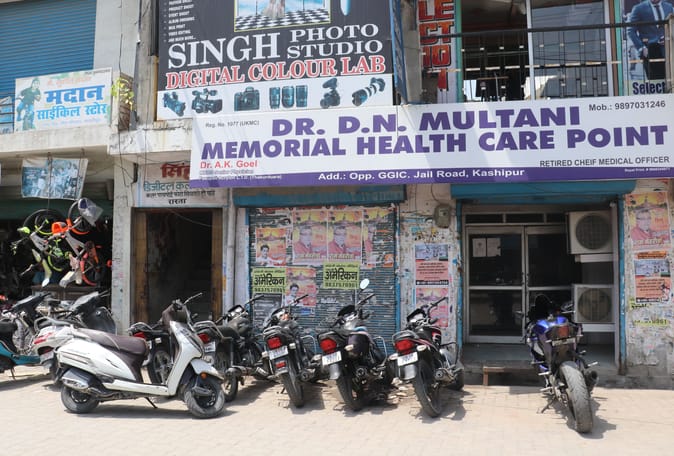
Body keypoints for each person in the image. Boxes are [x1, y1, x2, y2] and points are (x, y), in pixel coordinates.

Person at [627, 0, 674, 80]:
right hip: (650, 51)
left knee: (671, 80)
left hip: (669, 51)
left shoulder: (669, 7)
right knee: (655, 82)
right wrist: (641, 48)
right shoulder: (639, 8)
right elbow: (631, 30)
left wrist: (669, 38)